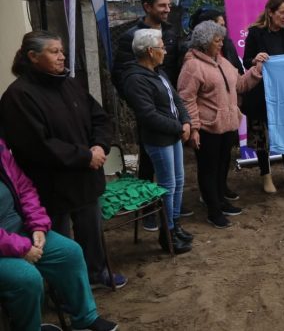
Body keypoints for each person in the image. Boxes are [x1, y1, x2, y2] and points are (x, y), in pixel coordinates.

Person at [0, 30, 126, 289]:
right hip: (52, 185)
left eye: (61, 51)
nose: (62, 57)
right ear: (34, 56)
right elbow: (37, 145)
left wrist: (99, 146)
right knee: (59, 238)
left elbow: (99, 117)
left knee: (91, 231)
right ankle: (64, 288)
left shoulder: (68, 83)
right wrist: (84, 156)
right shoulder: (18, 96)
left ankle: (96, 274)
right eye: (54, 51)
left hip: (86, 177)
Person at [0, 136, 118, 331]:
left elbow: (23, 186)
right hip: (8, 245)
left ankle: (85, 320)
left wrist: (37, 225)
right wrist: (21, 248)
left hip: (20, 230)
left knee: (69, 253)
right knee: (27, 279)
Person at [111, 0, 193, 226]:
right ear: (147, 7)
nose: (168, 10)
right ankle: (150, 213)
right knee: (150, 164)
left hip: (168, 102)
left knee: (175, 176)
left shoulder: (169, 31)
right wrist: (140, 103)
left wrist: (180, 113)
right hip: (150, 109)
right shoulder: (131, 37)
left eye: (169, 5)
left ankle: (171, 217)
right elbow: (121, 74)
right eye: (162, 6)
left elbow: (174, 63)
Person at [177, 21, 265, 229]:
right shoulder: (192, 66)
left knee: (222, 166)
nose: (221, 43)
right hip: (207, 128)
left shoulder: (223, 62)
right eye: (217, 40)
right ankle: (213, 211)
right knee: (208, 169)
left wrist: (256, 70)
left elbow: (240, 85)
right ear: (205, 42)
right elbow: (186, 99)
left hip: (227, 125)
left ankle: (221, 202)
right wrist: (194, 127)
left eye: (221, 39)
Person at [122, 29, 193, 253]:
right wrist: (178, 127)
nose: (165, 51)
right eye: (162, 47)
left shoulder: (158, 72)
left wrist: (187, 121)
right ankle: (167, 232)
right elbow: (148, 115)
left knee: (178, 182)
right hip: (159, 139)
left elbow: (177, 99)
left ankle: (176, 225)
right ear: (150, 51)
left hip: (173, 135)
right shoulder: (135, 79)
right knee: (167, 186)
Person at [242, 0, 284, 194]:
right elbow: (246, 62)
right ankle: (266, 176)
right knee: (263, 137)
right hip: (261, 95)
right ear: (270, 12)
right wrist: (256, 59)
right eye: (281, 13)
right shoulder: (255, 33)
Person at [185, 8, 244, 75]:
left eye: (224, 25)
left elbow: (239, 73)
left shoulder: (227, 44)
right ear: (208, 27)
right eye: (221, 26)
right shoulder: (191, 56)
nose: (224, 29)